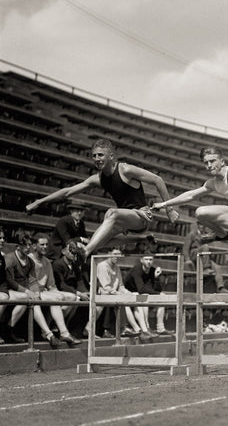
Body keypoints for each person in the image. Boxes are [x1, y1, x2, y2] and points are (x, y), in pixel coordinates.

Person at [25, 139, 179, 259]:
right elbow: (68, 192)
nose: (97, 159)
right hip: (125, 222)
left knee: (111, 213)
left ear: (111, 156)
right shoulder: (98, 178)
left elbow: (157, 180)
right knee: (99, 241)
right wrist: (39, 201)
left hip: (141, 216)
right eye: (94, 156)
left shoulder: (125, 170)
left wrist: (169, 210)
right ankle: (141, 239)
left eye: (100, 155)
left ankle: (84, 253)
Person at [152, 146, 228, 290]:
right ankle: (222, 235)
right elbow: (190, 195)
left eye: (212, 161)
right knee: (200, 212)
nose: (209, 165)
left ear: (222, 161)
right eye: (206, 163)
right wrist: (164, 203)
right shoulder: (214, 183)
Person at [4, 231, 62, 348]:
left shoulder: (29, 261)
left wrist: (35, 293)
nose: (28, 248)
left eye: (29, 245)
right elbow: (10, 281)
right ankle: (8, 329)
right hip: (7, 289)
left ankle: (48, 334)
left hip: (21, 291)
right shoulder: (10, 258)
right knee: (27, 297)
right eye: (25, 245)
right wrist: (27, 291)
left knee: (33, 299)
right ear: (17, 246)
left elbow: (32, 280)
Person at [28, 233, 82, 345]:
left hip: (45, 291)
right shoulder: (29, 259)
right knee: (56, 299)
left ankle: (52, 326)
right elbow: (30, 284)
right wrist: (55, 295)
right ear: (34, 246)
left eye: (47, 245)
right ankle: (64, 333)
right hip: (33, 291)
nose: (45, 247)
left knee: (73, 298)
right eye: (42, 244)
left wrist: (59, 294)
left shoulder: (47, 261)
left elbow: (52, 286)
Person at [95, 247, 145, 338]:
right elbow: (106, 288)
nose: (117, 257)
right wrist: (120, 294)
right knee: (121, 299)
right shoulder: (102, 266)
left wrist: (129, 293)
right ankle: (124, 328)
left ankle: (143, 329)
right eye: (115, 254)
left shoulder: (117, 267)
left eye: (119, 255)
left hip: (114, 294)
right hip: (103, 295)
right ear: (109, 253)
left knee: (137, 296)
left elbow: (121, 287)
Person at [52, 240, 95, 337]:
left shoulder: (75, 265)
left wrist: (86, 293)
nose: (73, 254)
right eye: (71, 251)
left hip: (73, 292)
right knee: (74, 299)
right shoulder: (57, 264)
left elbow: (80, 281)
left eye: (75, 252)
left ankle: (76, 330)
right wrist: (79, 294)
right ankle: (56, 326)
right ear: (63, 251)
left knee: (89, 301)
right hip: (60, 291)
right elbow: (61, 284)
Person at [124, 252, 172, 336]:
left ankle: (160, 328)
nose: (149, 262)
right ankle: (146, 328)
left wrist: (156, 278)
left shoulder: (152, 270)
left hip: (139, 295)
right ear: (141, 260)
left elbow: (157, 289)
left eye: (150, 259)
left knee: (161, 299)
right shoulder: (137, 269)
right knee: (145, 297)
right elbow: (141, 289)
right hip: (128, 294)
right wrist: (158, 293)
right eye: (146, 259)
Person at [182, 224, 228, 293]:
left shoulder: (205, 235)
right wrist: (187, 259)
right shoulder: (192, 234)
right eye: (201, 225)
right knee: (205, 246)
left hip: (203, 257)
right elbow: (185, 248)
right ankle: (205, 268)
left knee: (217, 267)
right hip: (194, 254)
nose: (202, 227)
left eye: (203, 226)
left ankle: (220, 288)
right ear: (198, 225)